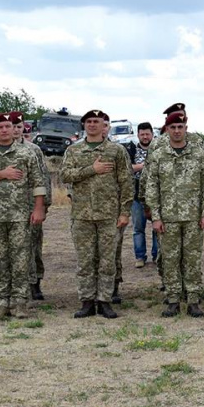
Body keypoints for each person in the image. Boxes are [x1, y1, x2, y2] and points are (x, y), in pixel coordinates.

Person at [0, 113, 46, 320]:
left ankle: (20, 302)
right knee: (0, 260)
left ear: (14, 129)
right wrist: (2, 174)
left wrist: (39, 208)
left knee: (21, 260)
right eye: (0, 127)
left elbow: (38, 183)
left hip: (20, 215)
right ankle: (2, 302)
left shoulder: (26, 153)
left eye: (8, 126)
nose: (5, 130)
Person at [61, 109, 132, 320]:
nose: (92, 125)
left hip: (109, 215)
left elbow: (126, 182)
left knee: (107, 261)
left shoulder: (116, 150)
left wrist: (125, 212)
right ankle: (87, 301)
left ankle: (105, 301)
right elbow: (65, 175)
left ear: (104, 126)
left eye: (97, 122)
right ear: (84, 125)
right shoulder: (74, 150)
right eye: (89, 121)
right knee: (85, 260)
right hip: (82, 214)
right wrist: (92, 169)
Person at [145, 113, 204, 317]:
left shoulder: (198, 153)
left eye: (180, 126)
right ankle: (173, 299)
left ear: (186, 128)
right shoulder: (159, 154)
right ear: (167, 129)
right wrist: (156, 216)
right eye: (173, 127)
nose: (177, 130)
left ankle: (193, 299)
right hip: (168, 218)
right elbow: (152, 187)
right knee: (170, 259)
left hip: (194, 217)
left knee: (192, 259)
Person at [9, 111, 52, 301]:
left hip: (30, 205)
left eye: (19, 127)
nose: (16, 130)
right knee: (12, 247)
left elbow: (43, 178)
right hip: (8, 207)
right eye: (13, 126)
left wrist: (43, 205)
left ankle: (35, 282)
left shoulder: (33, 150)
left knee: (33, 245)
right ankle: (16, 284)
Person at [130, 122, 158, 268]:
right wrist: (143, 166)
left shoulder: (158, 150)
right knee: (138, 229)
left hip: (154, 197)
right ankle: (140, 257)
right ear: (138, 135)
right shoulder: (131, 149)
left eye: (147, 134)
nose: (145, 137)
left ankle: (156, 255)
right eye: (142, 134)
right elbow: (128, 168)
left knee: (157, 227)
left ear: (152, 134)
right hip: (136, 196)